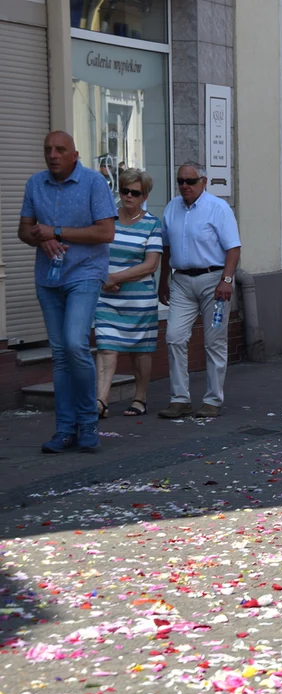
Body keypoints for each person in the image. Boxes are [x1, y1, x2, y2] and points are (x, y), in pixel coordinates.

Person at [18, 131, 117, 453]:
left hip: (84, 275)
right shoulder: (35, 184)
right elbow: (24, 231)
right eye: (48, 149)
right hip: (48, 278)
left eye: (60, 149)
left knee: (75, 344)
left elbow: (106, 232)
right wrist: (40, 237)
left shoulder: (93, 183)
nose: (53, 154)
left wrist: (57, 231)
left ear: (75, 154)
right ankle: (64, 429)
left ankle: (88, 423)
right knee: (60, 354)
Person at [157, 162, 242, 420]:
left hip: (213, 281)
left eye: (190, 181)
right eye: (180, 181)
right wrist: (163, 281)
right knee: (174, 337)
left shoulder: (217, 208)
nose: (185, 186)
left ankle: (213, 400)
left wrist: (227, 280)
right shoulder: (172, 207)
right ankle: (180, 398)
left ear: (203, 182)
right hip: (181, 281)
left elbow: (233, 248)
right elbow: (166, 248)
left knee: (214, 341)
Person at [95, 168, 163, 419]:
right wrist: (105, 278)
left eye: (135, 193)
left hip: (139, 300)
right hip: (107, 296)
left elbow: (151, 265)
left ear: (144, 196)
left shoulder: (152, 224)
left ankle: (140, 398)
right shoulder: (107, 219)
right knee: (106, 347)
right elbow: (95, 251)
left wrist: (116, 277)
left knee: (140, 351)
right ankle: (101, 401)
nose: (128, 196)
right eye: (124, 191)